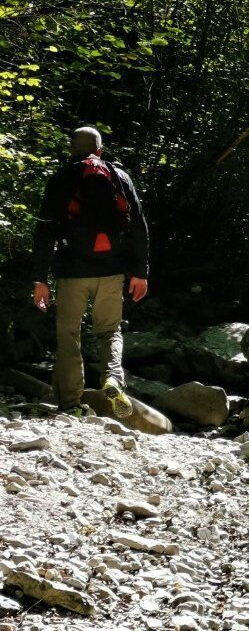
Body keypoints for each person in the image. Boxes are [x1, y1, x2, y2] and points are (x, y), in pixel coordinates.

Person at [32, 127, 149, 417]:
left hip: (71, 271)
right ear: (100, 149)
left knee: (69, 335)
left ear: (72, 149)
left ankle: (71, 404)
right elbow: (138, 226)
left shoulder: (62, 178)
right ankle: (112, 379)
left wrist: (39, 278)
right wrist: (140, 272)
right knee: (109, 332)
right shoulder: (119, 176)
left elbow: (44, 229)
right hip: (111, 270)